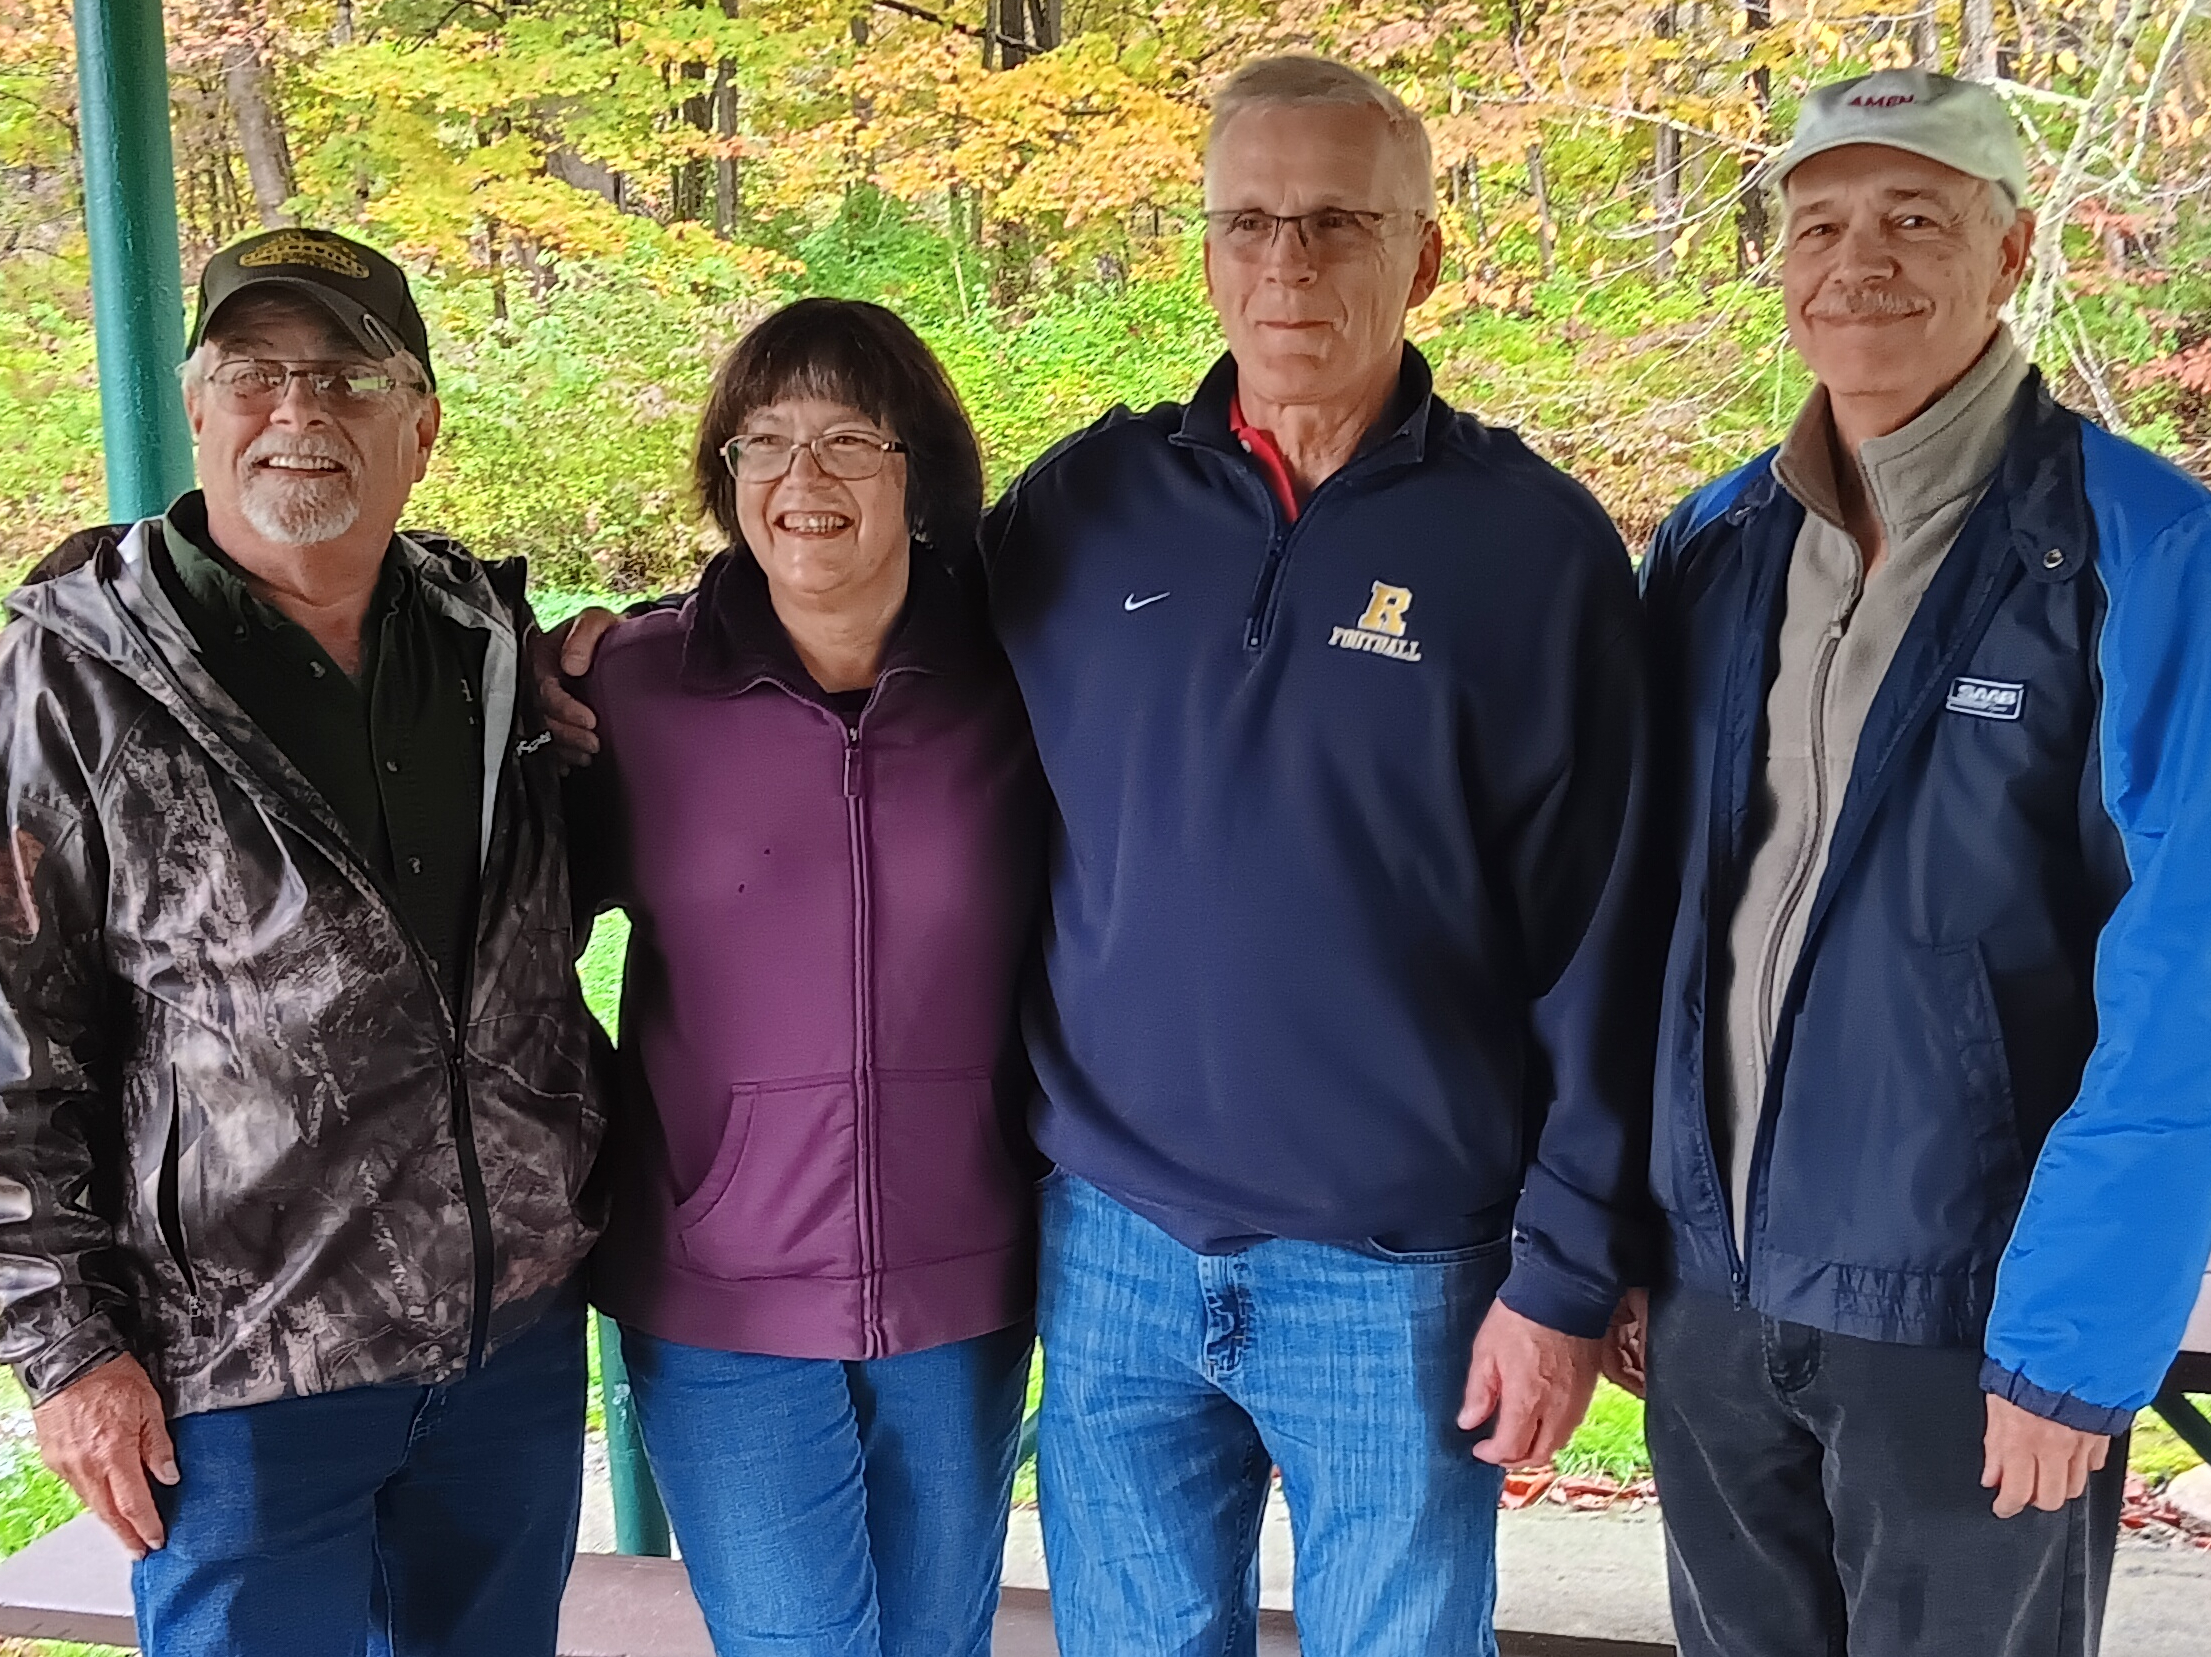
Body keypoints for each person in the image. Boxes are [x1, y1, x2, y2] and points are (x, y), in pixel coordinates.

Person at [545, 56, 1653, 1657]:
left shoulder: (1534, 551)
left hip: (1395, 1259)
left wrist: (1560, 1273)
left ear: (1420, 253)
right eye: (1250, 222)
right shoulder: (1093, 510)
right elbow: (828, 632)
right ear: (1202, 254)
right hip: (1115, 1244)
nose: (1288, 264)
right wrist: (583, 653)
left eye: (1338, 222)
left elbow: (1608, 936)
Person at [1616, 69, 2211, 1656]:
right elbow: (1651, 924)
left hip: (1972, 1324)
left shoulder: (2143, 550)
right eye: (1820, 223)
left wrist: (2077, 1338)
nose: (1856, 261)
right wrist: (1628, 1238)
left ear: (2009, 252)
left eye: (1914, 218)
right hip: (1716, 1306)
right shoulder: (1713, 547)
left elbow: (2192, 968)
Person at [0, 228, 606, 1656]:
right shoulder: (67, 676)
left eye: (348, 376)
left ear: (422, 428)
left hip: (505, 1342)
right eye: (257, 373)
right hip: (241, 1368)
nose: (301, 412)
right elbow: (12, 1039)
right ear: (199, 406)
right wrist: (68, 1348)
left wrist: (610, 681)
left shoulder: (487, 641)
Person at [566, 298, 1045, 1657]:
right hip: (719, 1280)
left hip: (963, 1276)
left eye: (846, 440)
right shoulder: (635, 690)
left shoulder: (1024, 682)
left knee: (935, 1644)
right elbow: (500, 935)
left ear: (920, 470)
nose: (801, 480)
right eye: (763, 444)